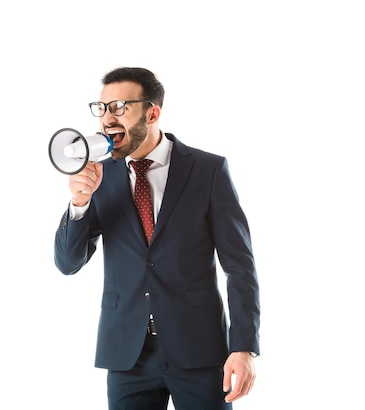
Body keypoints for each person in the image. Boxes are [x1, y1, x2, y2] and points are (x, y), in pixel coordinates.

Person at [53, 66, 260, 410]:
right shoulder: (99, 176)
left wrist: (243, 346)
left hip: (199, 351)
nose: (107, 118)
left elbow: (240, 267)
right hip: (126, 355)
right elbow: (68, 263)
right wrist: (79, 203)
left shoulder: (207, 171)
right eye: (101, 108)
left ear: (152, 113)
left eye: (119, 107)